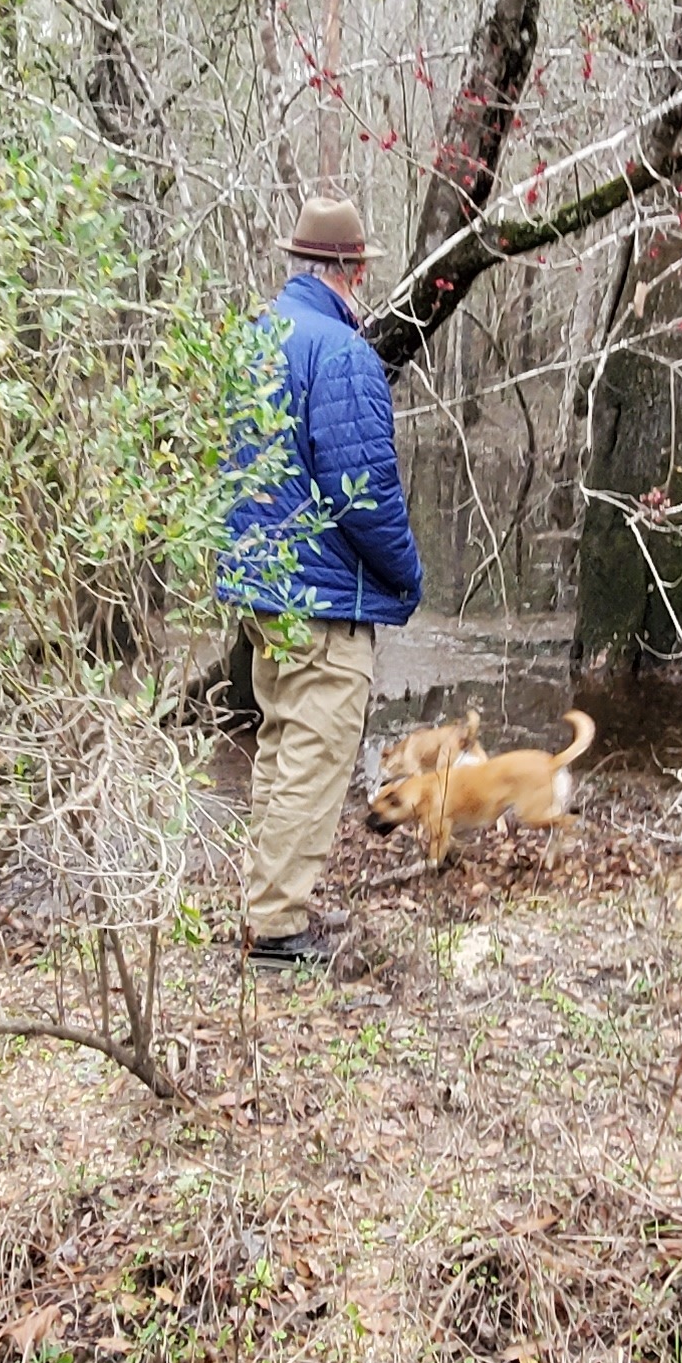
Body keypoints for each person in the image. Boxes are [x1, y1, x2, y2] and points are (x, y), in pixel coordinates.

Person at [218, 197, 423, 970]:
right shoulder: (341, 353)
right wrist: (407, 576)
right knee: (314, 752)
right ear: (355, 272)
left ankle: (268, 908)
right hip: (321, 599)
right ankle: (276, 935)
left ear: (296, 261)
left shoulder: (254, 340)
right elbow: (363, 492)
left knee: (279, 746)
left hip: (262, 592)